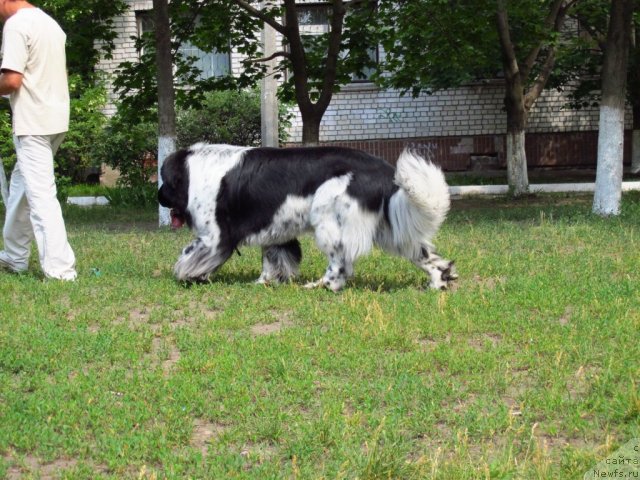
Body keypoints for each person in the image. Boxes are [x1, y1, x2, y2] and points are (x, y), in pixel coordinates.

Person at [0, 0, 76, 281]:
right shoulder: (50, 24)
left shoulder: (16, 25)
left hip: (33, 122)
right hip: (55, 119)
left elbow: (12, 81)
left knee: (41, 195)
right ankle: (14, 256)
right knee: (22, 187)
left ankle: (60, 270)